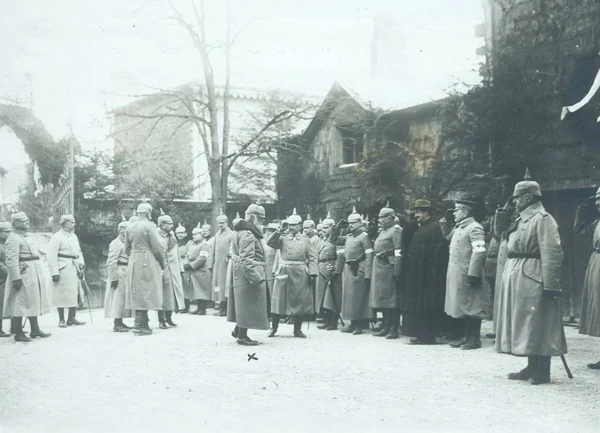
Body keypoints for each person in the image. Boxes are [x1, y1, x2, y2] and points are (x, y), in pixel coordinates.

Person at [495, 169, 567, 385]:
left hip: (534, 276)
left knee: (540, 323)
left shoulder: (542, 219)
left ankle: (543, 370)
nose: (514, 201)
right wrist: (503, 214)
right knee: (526, 323)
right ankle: (531, 365)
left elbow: (552, 253)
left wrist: (551, 285)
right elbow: (501, 235)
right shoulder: (520, 219)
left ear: (528, 197)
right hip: (519, 276)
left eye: (516, 198)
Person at [442, 198, 488, 350]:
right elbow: (446, 237)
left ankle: (474, 339)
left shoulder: (475, 228)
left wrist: (473, 273)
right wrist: (445, 220)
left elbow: (479, 252)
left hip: (468, 273)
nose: (454, 213)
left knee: (473, 306)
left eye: (457, 210)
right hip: (457, 273)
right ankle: (466, 337)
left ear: (465, 211)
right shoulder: (459, 228)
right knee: (462, 305)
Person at [401, 199, 449, 345]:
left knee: (427, 304)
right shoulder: (420, 228)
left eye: (418, 212)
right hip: (417, 274)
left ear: (426, 212)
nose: (416, 215)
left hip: (428, 275)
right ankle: (419, 334)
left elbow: (439, 253)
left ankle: (428, 335)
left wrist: (431, 273)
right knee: (418, 304)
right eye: (415, 212)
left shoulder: (434, 229)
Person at [267, 208, 317, 338]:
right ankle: (274, 328)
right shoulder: (282, 238)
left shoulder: (306, 240)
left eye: (294, 225)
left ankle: (297, 330)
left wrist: (313, 273)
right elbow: (270, 243)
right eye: (289, 225)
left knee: (299, 301)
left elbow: (312, 257)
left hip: (300, 272)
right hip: (284, 271)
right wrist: (279, 230)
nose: (291, 227)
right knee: (278, 300)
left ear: (300, 226)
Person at [3, 212, 51, 342]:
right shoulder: (13, 238)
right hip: (22, 274)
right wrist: (16, 278)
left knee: (33, 301)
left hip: (32, 272)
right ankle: (18, 332)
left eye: (27, 221)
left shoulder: (26, 237)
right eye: (24, 221)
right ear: (16, 223)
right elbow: (11, 260)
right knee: (20, 302)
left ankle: (35, 329)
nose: (27, 223)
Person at [227, 201, 270, 346]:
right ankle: (242, 336)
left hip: (242, 272)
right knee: (247, 304)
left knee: (244, 303)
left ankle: (238, 330)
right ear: (253, 218)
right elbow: (246, 259)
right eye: (261, 219)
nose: (263, 222)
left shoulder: (239, 231)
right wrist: (255, 278)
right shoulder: (248, 234)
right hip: (248, 273)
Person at [125, 202, 166, 335]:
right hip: (147, 259)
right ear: (148, 213)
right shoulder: (149, 226)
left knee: (137, 290)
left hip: (134, 260)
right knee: (147, 290)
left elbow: (127, 248)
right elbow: (158, 247)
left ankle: (143, 323)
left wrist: (133, 257)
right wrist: (162, 262)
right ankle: (139, 325)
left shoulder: (130, 227)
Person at [574, 187, 600, 369]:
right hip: (596, 263)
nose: (597, 202)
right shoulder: (597, 222)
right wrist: (585, 205)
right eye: (596, 199)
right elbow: (579, 228)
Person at [339, 207, 375, 335]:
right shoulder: (348, 236)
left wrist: (368, 273)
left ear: (360, 223)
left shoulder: (364, 237)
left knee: (359, 297)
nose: (351, 225)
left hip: (360, 269)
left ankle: (359, 324)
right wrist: (339, 227)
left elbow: (369, 255)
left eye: (353, 222)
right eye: (349, 223)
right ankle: (352, 323)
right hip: (348, 270)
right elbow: (335, 240)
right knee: (349, 298)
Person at [370, 202, 402, 339]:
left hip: (389, 268)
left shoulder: (395, 230)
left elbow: (399, 251)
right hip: (380, 269)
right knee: (382, 298)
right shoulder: (383, 231)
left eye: (382, 217)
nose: (379, 220)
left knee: (391, 300)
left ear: (390, 217)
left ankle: (394, 328)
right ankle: (386, 325)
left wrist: (396, 270)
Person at [47, 214, 86, 328]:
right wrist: (54, 272)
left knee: (74, 292)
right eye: (73, 222)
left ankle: (71, 317)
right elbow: (51, 255)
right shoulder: (56, 237)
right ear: (67, 223)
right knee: (61, 293)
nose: (74, 225)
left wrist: (81, 264)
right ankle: (61, 319)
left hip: (74, 266)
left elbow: (79, 252)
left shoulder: (74, 237)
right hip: (63, 267)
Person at [157, 210, 185, 329]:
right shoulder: (155, 236)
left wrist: (180, 268)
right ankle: (161, 320)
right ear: (162, 225)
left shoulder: (172, 235)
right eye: (169, 223)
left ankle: (169, 317)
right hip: (162, 269)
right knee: (163, 295)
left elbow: (177, 253)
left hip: (174, 268)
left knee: (173, 294)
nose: (171, 225)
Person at [104, 216, 132, 332]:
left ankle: (121, 321)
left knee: (124, 298)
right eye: (126, 229)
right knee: (118, 298)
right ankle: (117, 323)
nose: (128, 232)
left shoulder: (127, 242)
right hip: (119, 271)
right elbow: (111, 261)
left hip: (126, 271)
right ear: (120, 230)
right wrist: (114, 277)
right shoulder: (115, 243)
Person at [316, 212, 343, 331]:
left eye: (327, 227)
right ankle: (327, 320)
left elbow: (340, 256)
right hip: (321, 268)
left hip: (330, 268)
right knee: (324, 297)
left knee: (332, 296)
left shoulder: (335, 238)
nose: (324, 230)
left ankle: (333, 322)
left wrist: (336, 227)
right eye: (323, 227)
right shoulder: (323, 239)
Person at [185, 223, 212, 315]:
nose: (194, 236)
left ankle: (202, 308)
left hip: (201, 270)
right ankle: (198, 308)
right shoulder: (191, 244)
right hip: (195, 271)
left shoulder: (204, 245)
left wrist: (192, 265)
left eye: (196, 234)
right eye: (193, 234)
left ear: (201, 235)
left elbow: (203, 258)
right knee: (197, 290)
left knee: (202, 290)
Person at [211, 209, 233, 317]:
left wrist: (229, 257)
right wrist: (211, 264)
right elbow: (213, 250)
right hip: (217, 264)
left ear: (227, 222)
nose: (220, 224)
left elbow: (232, 248)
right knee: (217, 285)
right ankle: (220, 305)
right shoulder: (217, 234)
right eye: (219, 223)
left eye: (222, 222)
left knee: (225, 285)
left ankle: (225, 308)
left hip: (226, 264)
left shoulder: (231, 234)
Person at [175, 222, 191, 313]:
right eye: (178, 233)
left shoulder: (189, 243)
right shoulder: (174, 242)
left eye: (182, 233)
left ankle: (186, 306)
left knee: (185, 286)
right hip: (176, 265)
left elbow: (189, 254)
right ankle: (177, 306)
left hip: (185, 266)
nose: (180, 235)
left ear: (185, 233)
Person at [0, 221, 12, 337]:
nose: (9, 234)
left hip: (7, 277)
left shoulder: (7, 244)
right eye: (6, 232)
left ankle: (14, 327)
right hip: (2, 278)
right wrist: (9, 271)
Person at [263, 222, 279, 298]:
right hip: (264, 266)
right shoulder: (263, 241)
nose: (268, 233)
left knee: (272, 288)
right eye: (267, 231)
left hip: (273, 267)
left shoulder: (276, 243)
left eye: (271, 231)